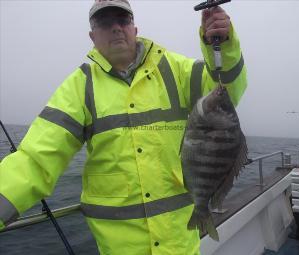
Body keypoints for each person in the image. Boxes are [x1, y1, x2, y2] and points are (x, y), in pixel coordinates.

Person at [0, 0, 247, 254]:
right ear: (92, 36)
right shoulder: (79, 87)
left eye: (123, 19)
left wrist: (223, 44)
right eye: (105, 22)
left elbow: (227, 90)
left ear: (134, 28)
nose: (116, 27)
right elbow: (35, 160)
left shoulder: (177, 70)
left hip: (180, 246)